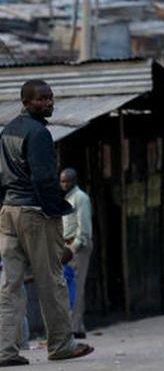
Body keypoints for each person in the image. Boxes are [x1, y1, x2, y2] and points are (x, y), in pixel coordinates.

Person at [0, 80, 94, 365]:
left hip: (9, 211)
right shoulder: (39, 133)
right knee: (52, 280)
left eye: (50, 97)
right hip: (35, 213)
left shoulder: (8, 130)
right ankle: (61, 344)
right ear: (26, 102)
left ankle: (5, 351)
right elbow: (43, 178)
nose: (49, 103)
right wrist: (54, 210)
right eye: (41, 99)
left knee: (10, 286)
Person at [59, 168, 92, 339]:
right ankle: (78, 327)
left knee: (76, 287)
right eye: (62, 181)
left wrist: (74, 247)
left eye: (67, 181)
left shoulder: (80, 198)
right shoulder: (65, 198)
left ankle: (74, 327)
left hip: (77, 247)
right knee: (71, 286)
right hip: (67, 246)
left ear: (74, 181)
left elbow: (84, 226)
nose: (64, 184)